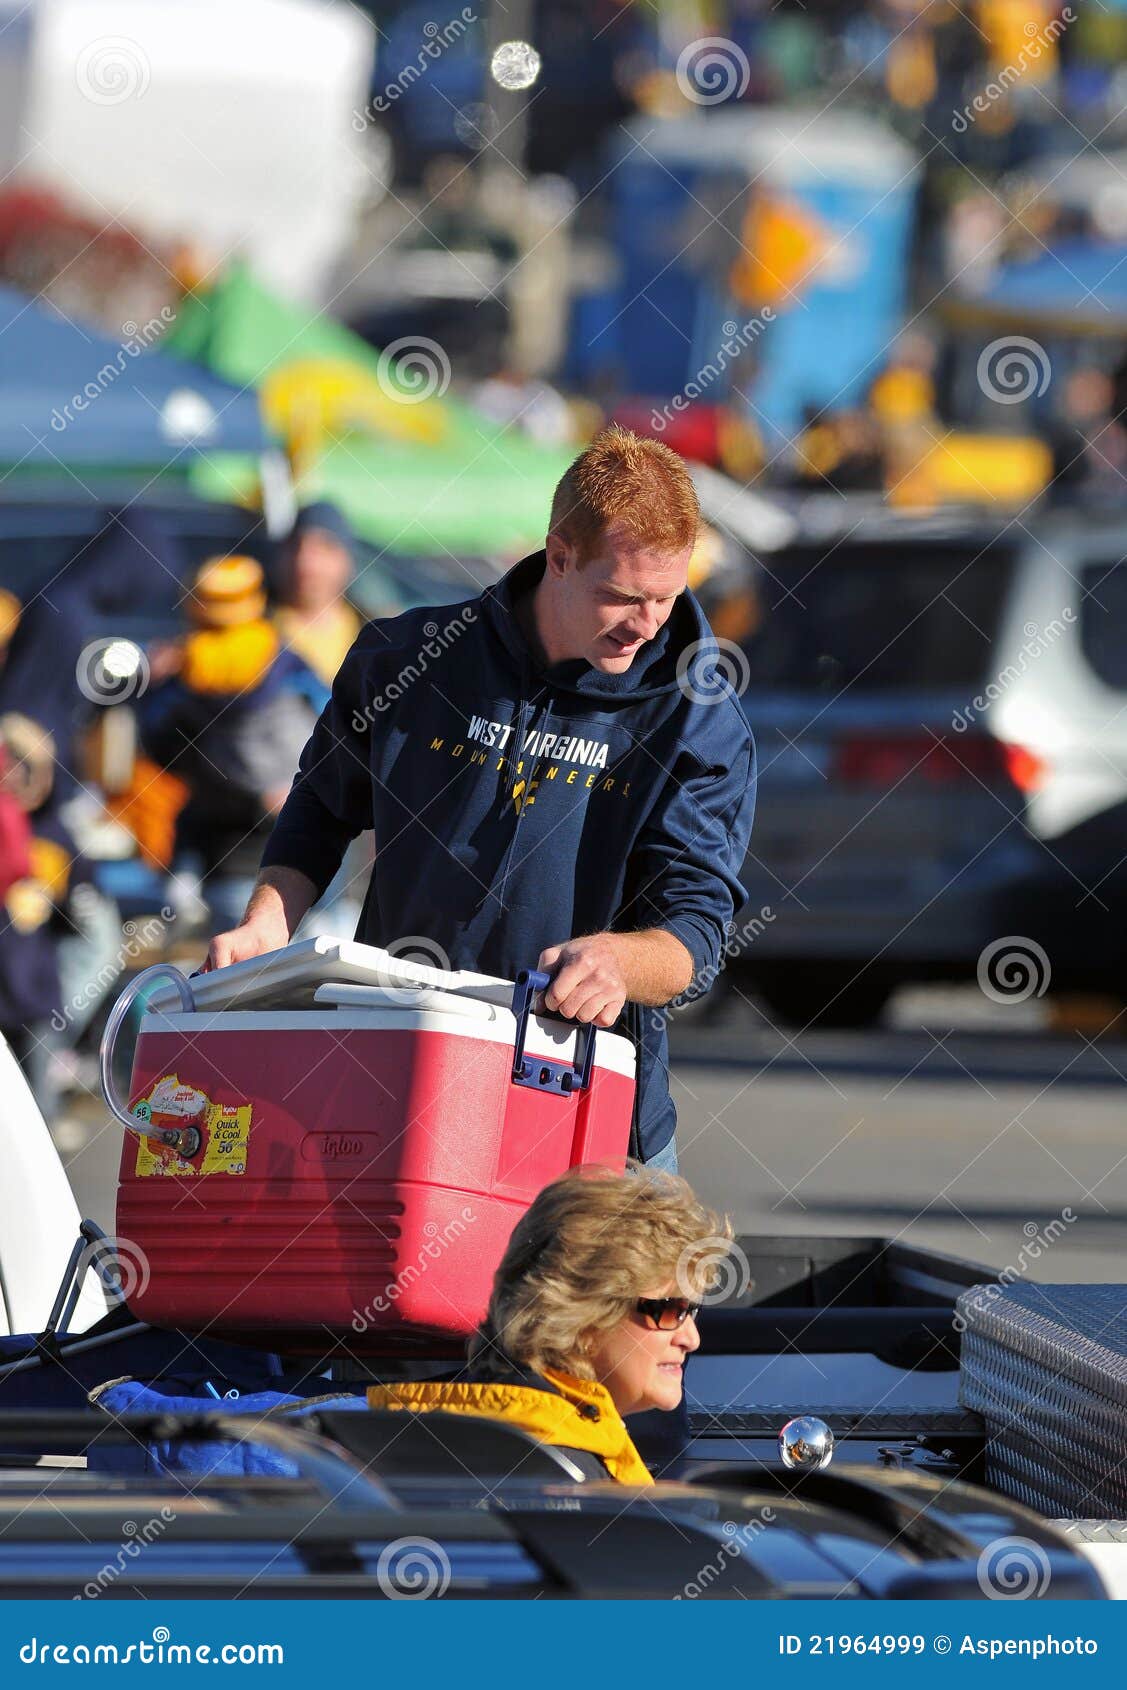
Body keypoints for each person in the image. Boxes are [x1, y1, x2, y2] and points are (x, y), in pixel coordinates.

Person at [206, 427, 757, 1168]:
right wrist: (266, 925)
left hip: (586, 1111)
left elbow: (696, 928)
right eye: (622, 596)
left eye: (667, 597)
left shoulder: (698, 717)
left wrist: (619, 965)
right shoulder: (409, 659)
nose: (647, 624)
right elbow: (318, 813)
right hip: (395, 1078)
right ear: (558, 555)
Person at [368, 1163, 729, 1482]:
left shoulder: (402, 1432)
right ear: (582, 1315)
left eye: (692, 1311)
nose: (691, 1338)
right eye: (669, 1310)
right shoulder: (573, 1482)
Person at [138, 554, 326, 933]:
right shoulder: (287, 663)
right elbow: (338, 729)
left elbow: (161, 751)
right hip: (303, 845)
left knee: (237, 966)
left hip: (221, 850)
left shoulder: (184, 674)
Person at [271, 501, 362, 689]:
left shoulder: (380, 635)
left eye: (324, 547)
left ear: (347, 560)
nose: (305, 562)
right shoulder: (250, 636)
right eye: (295, 546)